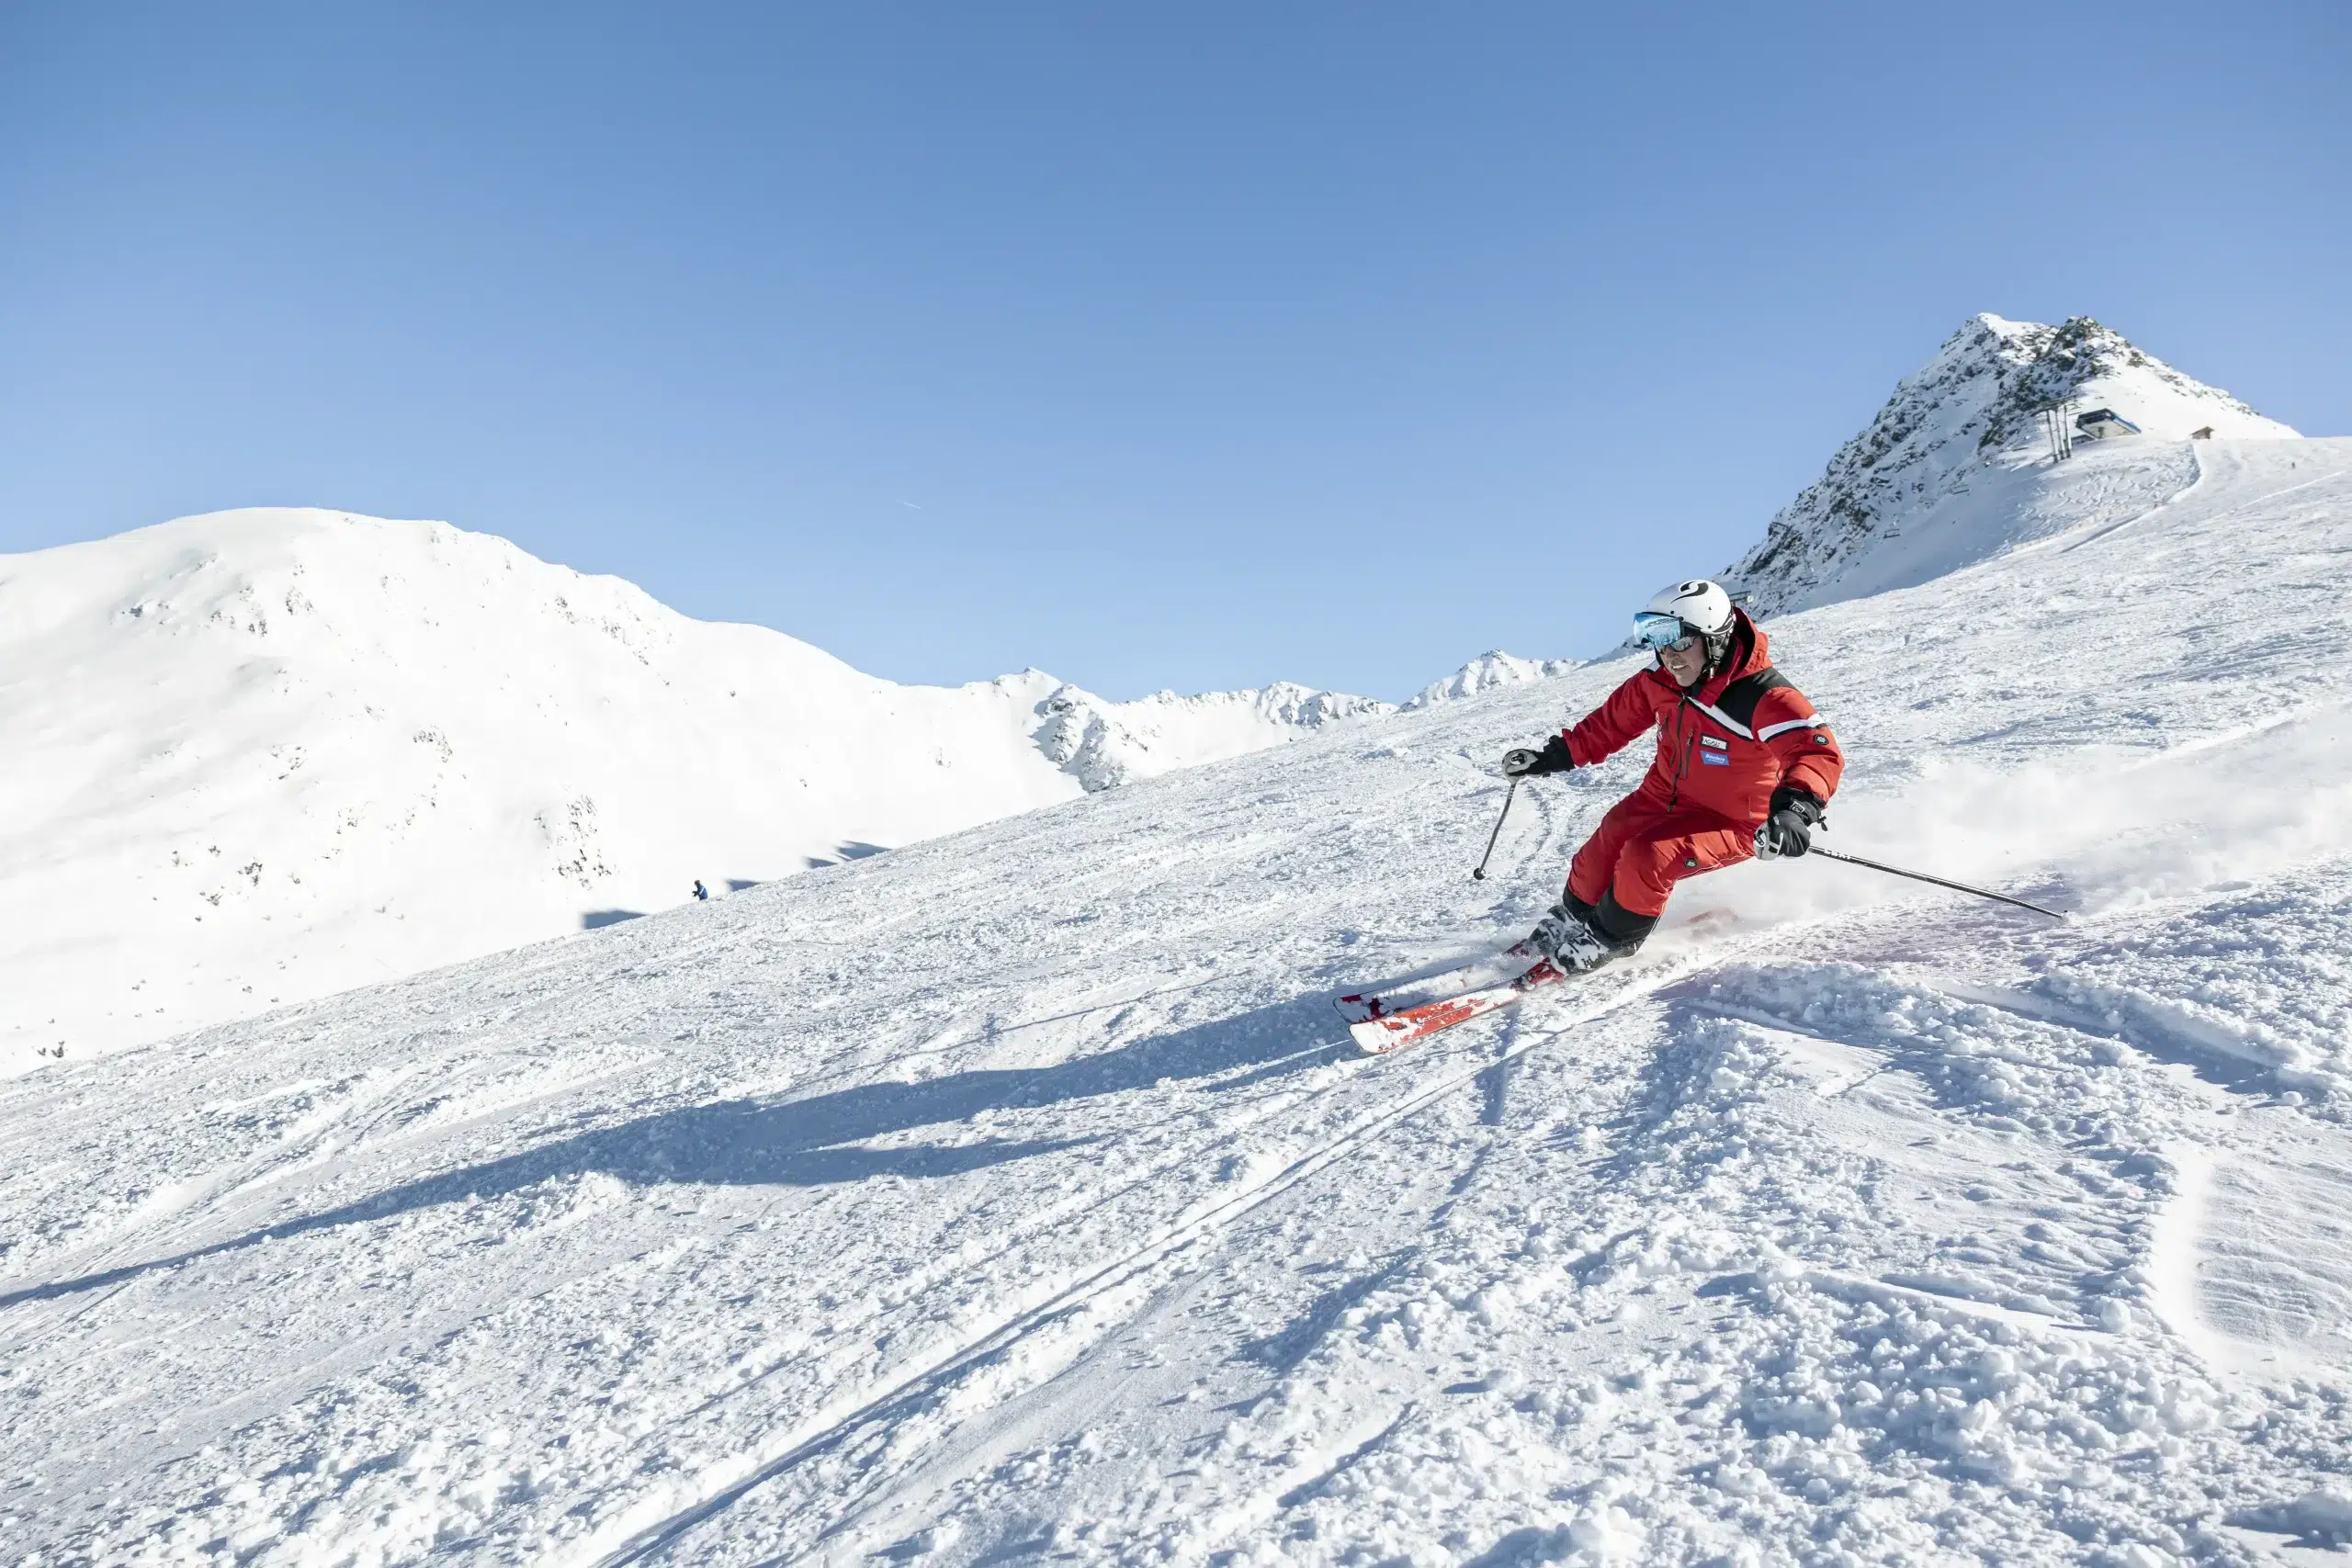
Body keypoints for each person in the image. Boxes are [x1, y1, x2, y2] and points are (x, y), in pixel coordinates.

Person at [1501, 579, 1841, 973]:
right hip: (1661, 797)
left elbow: (1816, 752)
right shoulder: (1659, 680)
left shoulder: (1763, 697)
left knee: (1649, 856)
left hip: (1736, 820)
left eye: (1681, 642)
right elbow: (1608, 726)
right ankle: (1575, 917)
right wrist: (1551, 757)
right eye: (1660, 642)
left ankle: (1609, 938)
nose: (1670, 656)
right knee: (1612, 834)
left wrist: (1794, 810)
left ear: (1715, 640)